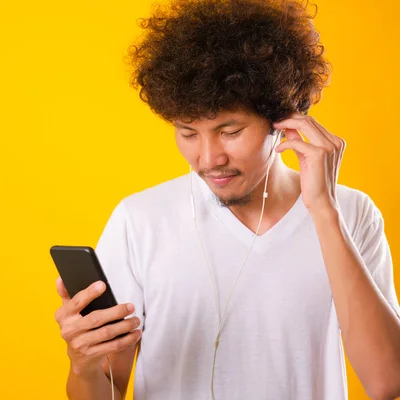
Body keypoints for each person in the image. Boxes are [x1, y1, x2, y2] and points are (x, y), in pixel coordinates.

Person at [53, 0, 400, 398]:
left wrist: (323, 211)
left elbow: (387, 382)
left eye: (230, 131)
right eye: (188, 133)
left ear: (283, 120)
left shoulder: (351, 214)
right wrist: (81, 363)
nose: (208, 158)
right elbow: (106, 389)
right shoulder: (140, 220)